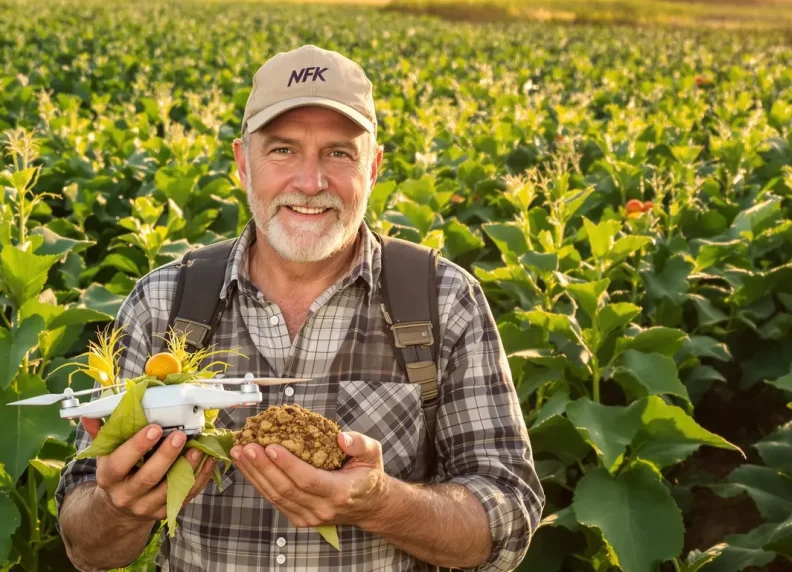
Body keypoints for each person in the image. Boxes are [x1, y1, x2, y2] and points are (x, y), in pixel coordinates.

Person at [55, 44, 544, 572]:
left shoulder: (443, 302)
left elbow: (509, 519)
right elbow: (84, 545)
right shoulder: (163, 302)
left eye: (339, 153)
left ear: (373, 168)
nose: (310, 183)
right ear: (243, 162)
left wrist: (384, 503)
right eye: (283, 150)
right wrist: (118, 507)